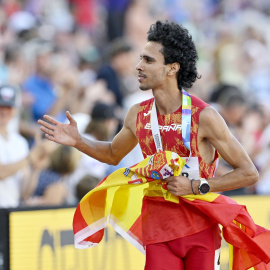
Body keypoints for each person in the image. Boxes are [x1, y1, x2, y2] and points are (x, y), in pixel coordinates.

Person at [38, 20, 259, 270]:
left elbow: (249, 173)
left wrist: (197, 185)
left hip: (201, 230)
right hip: (157, 230)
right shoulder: (137, 114)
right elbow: (112, 154)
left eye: (148, 60)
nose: (138, 66)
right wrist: (78, 141)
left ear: (172, 68)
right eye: (141, 58)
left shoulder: (204, 116)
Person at [0, 84, 45, 208]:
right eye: (1, 106)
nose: (4, 111)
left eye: (8, 107)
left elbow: (24, 191)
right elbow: (1, 172)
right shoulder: (22, 145)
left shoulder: (20, 142)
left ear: (16, 110)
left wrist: (36, 168)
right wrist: (30, 158)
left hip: (11, 210)